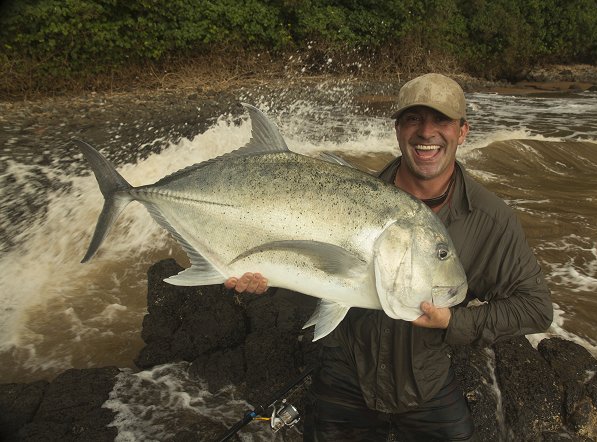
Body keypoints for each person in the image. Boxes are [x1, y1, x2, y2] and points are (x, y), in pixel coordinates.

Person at [225, 73, 553, 441]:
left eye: (441, 120)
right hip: (344, 379)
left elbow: (535, 308)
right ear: (398, 129)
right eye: (413, 119)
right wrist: (262, 282)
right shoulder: (349, 195)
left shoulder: (490, 219)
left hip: (426, 388)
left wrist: (453, 322)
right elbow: (308, 269)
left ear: (463, 131)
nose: (426, 132)